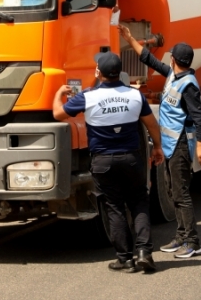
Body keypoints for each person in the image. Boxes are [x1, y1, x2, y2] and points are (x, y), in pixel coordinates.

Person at [53, 52, 165, 273]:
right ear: (119, 72)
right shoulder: (135, 95)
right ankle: (144, 252)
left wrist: (58, 94)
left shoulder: (88, 96)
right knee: (139, 203)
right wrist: (158, 147)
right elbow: (152, 124)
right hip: (131, 159)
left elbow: (58, 114)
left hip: (103, 162)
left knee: (114, 207)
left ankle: (125, 258)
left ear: (98, 72)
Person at [118, 25, 201, 259]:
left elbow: (200, 117)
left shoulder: (188, 85)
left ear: (173, 59)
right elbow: (149, 59)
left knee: (181, 194)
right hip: (170, 145)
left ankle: (192, 242)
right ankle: (181, 237)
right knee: (172, 191)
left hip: (180, 144)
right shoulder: (174, 75)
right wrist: (130, 39)